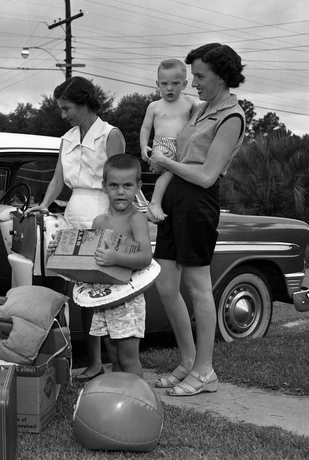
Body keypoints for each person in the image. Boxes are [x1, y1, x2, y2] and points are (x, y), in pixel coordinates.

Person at [149, 43, 246, 396]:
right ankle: (188, 361)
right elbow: (179, 152)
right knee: (165, 285)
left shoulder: (231, 117)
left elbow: (206, 175)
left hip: (197, 202)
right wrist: (159, 160)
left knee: (198, 288)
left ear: (222, 77)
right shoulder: (202, 109)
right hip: (175, 198)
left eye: (200, 76)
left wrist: (166, 164)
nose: (194, 83)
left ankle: (205, 371)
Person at [26, 76, 126, 382]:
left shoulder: (111, 134)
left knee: (107, 291)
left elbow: (120, 179)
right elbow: (58, 179)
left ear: (84, 103)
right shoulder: (67, 138)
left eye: (66, 108)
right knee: (80, 291)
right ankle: (94, 362)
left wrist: (118, 221)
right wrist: (44, 204)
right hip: (72, 215)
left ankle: (118, 364)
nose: (62, 114)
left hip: (103, 214)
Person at [89, 154, 153, 377]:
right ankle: (120, 399)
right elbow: (89, 257)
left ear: (138, 187)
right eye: (114, 185)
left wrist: (115, 258)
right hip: (104, 298)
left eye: (127, 185)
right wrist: (58, 251)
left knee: (127, 358)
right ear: (104, 186)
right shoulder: (99, 222)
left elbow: (146, 256)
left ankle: (140, 401)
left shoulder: (136, 219)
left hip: (128, 300)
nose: (120, 191)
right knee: (114, 357)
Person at [139, 58, 199, 223]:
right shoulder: (154, 106)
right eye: (164, 84)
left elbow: (198, 124)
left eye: (175, 83)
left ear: (184, 84)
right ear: (157, 84)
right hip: (162, 145)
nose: (169, 88)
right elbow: (145, 128)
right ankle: (154, 203)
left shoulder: (189, 102)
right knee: (169, 171)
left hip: (182, 145)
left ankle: (162, 204)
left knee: (180, 175)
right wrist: (144, 146)